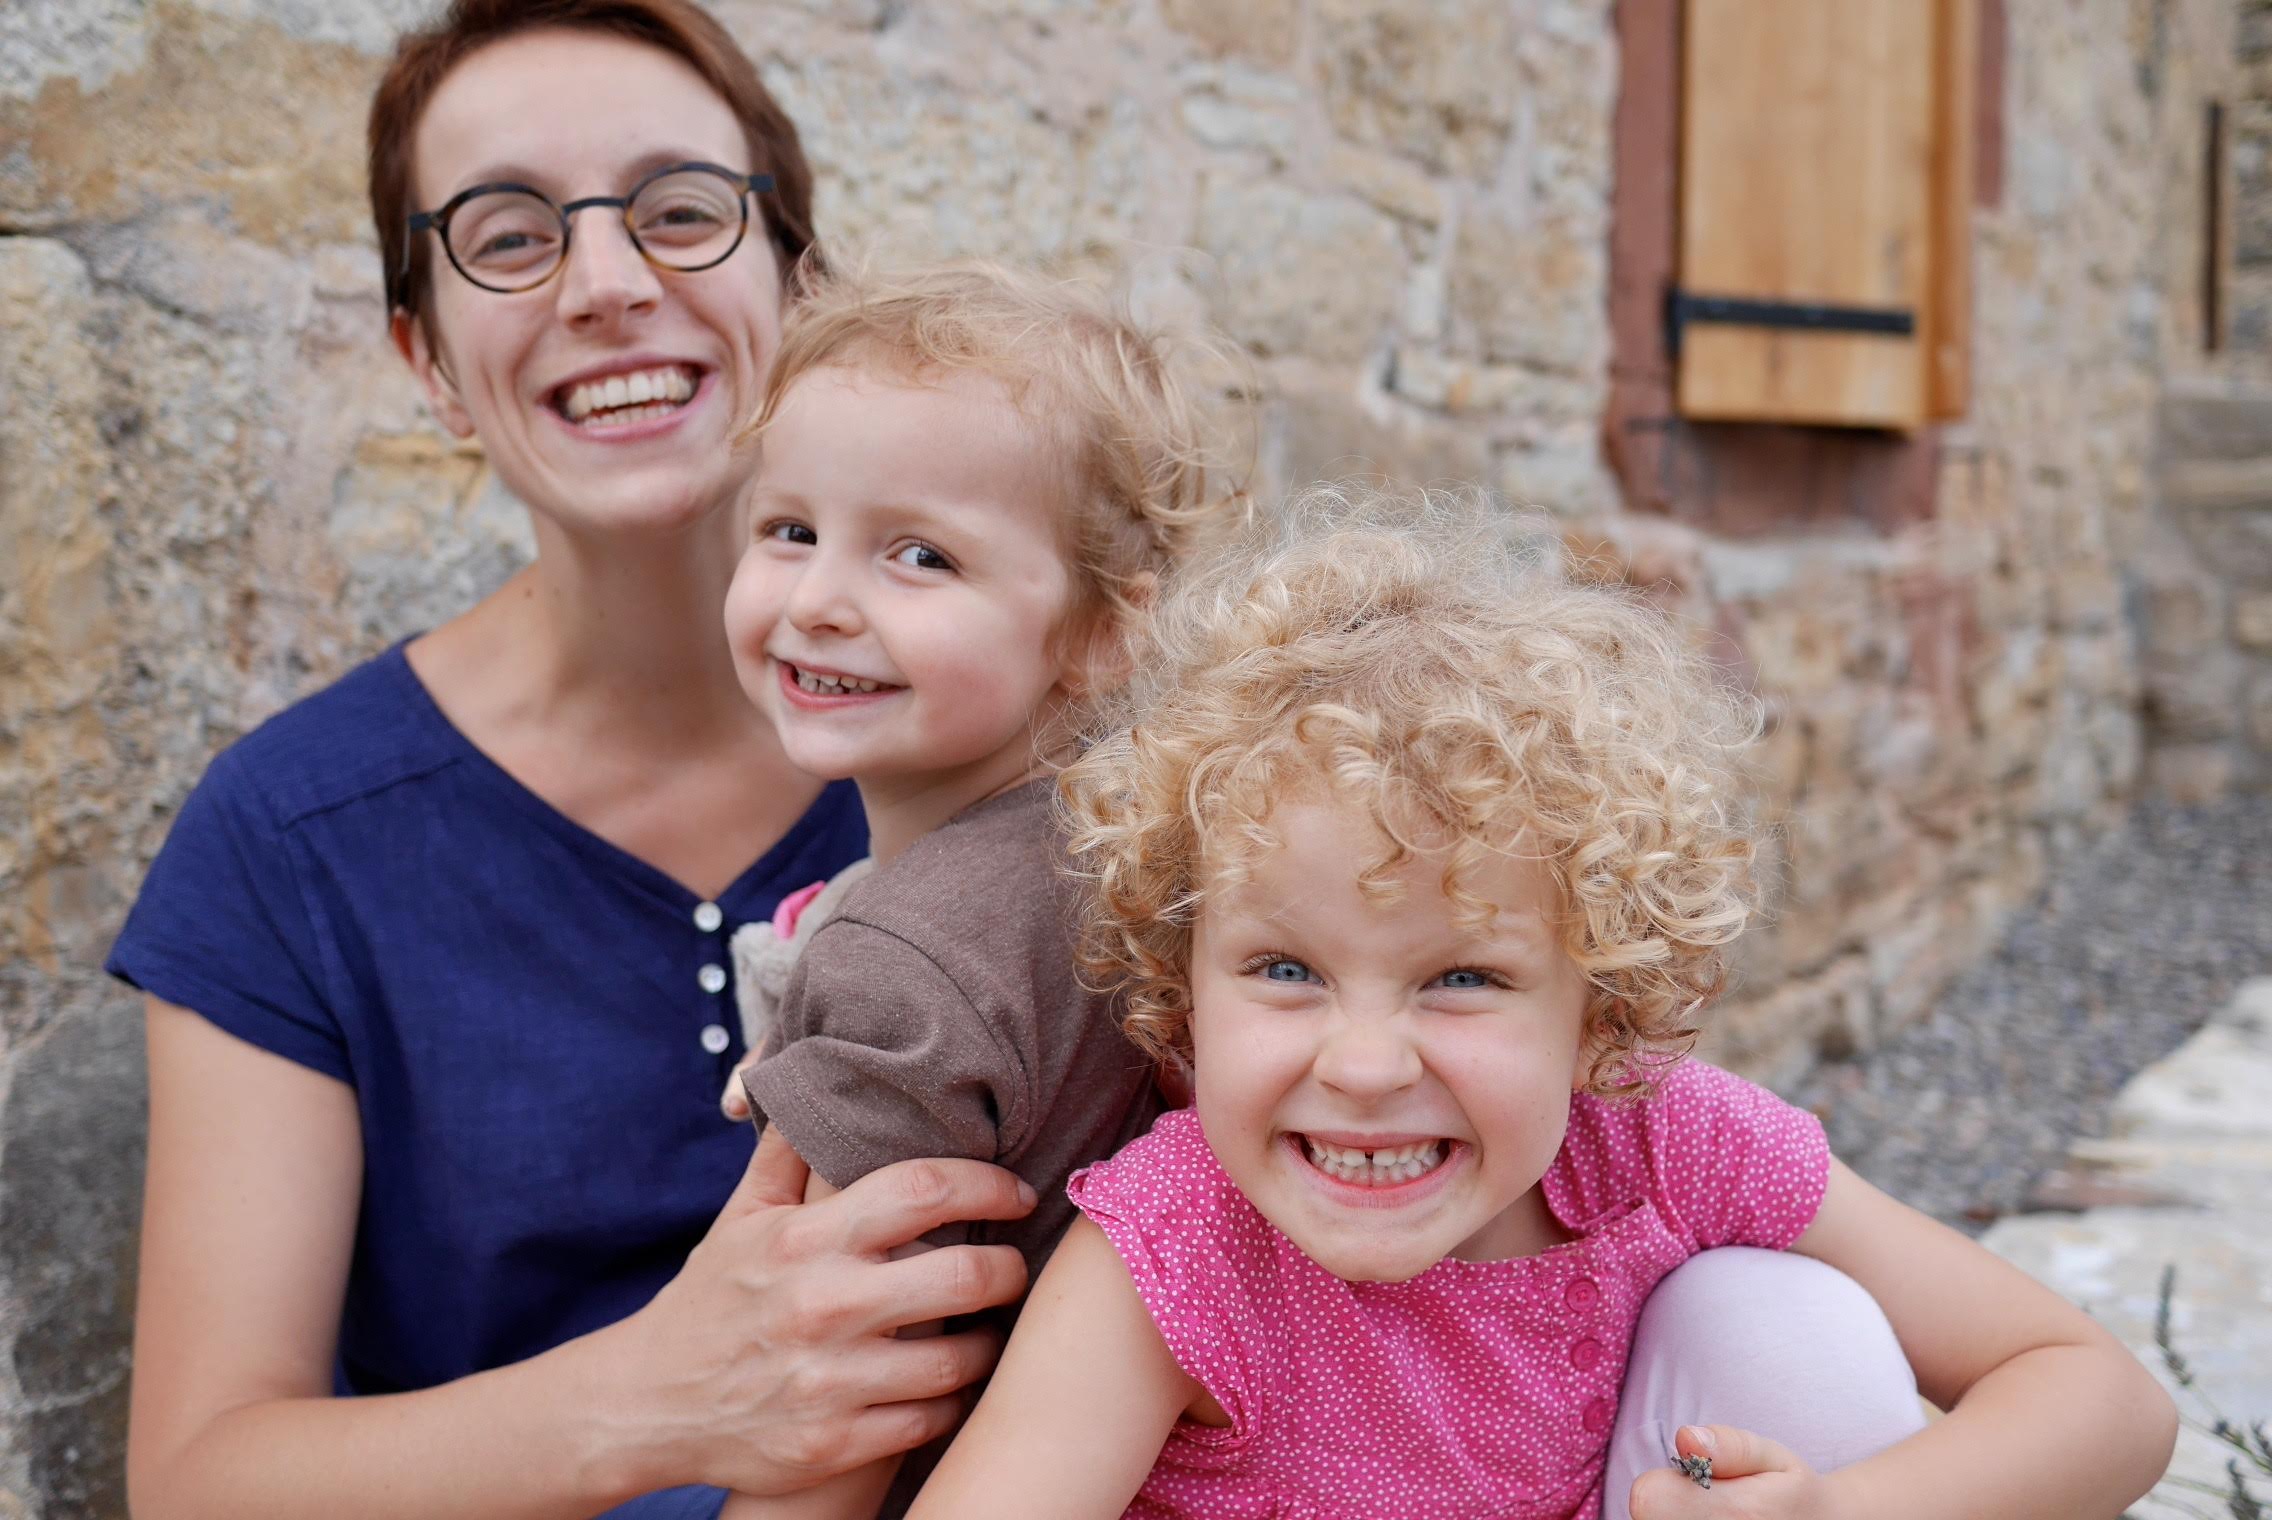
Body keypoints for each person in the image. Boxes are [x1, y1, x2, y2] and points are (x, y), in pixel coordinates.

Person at [108, 6, 1038, 1518]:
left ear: (801, 286)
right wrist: (653, 1402)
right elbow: (198, 1479)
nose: (607, 284)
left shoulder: (1038, 762)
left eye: (680, 210)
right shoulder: (289, 839)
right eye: (506, 235)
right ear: (426, 360)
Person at [906, 485, 2180, 1520]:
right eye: (1285, 970)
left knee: (1790, 1326)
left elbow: (2104, 1399)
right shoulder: (1182, 1248)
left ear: (1601, 1016)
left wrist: (1834, 1509)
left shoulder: (1661, 1143)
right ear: (1184, 994)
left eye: (1462, 977)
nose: (1359, 1062)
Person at [705, 254, 1243, 1519]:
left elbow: (832, 1410)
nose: (820, 601)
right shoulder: (1136, 851)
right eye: (788, 530)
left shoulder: (909, 958)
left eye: (920, 555)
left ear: (1106, 629)